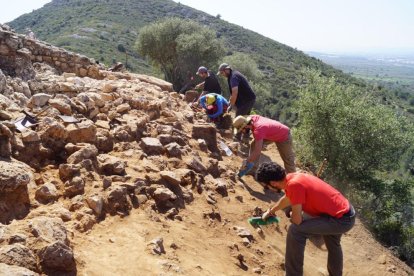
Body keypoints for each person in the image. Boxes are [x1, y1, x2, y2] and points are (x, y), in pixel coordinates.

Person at [257, 162, 355, 276]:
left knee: (296, 231)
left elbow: (297, 221)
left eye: (266, 186)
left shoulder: (294, 185)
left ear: (273, 183)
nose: (267, 188)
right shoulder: (293, 177)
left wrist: (294, 214)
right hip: (344, 212)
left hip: (341, 220)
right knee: (333, 243)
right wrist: (271, 211)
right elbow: (287, 198)